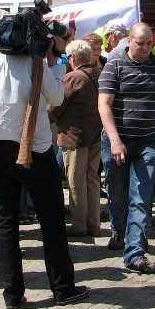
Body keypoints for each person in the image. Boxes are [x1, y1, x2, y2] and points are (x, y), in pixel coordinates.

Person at [0, 16, 87, 309]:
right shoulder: (36, 64)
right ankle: (62, 287)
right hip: (35, 150)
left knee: (5, 223)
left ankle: (12, 294)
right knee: (51, 220)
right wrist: (55, 61)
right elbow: (56, 98)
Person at [98, 22, 155, 274]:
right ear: (129, 41)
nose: (145, 47)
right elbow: (104, 105)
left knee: (142, 194)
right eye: (140, 43)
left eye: (149, 43)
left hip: (148, 140)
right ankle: (119, 231)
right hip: (117, 140)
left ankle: (135, 252)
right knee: (117, 194)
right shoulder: (114, 65)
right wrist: (115, 139)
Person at [48, 39, 102, 238]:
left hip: (74, 136)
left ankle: (80, 225)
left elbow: (55, 105)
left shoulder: (73, 77)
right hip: (96, 134)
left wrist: (50, 117)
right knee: (92, 178)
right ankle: (94, 223)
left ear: (72, 58)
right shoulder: (99, 74)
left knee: (75, 180)